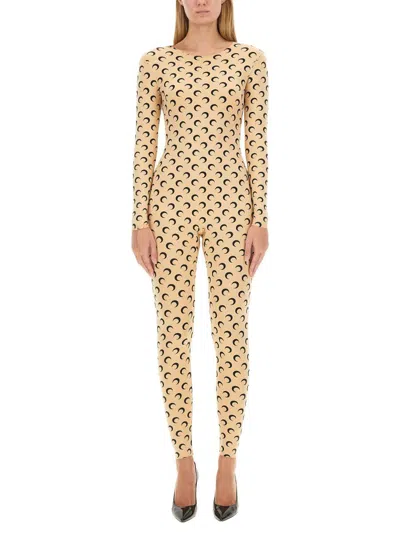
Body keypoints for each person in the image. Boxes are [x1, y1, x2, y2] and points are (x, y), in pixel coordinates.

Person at [131, 0, 269, 522]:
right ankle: (184, 461)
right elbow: (144, 145)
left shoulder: (250, 59)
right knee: (173, 334)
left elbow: (257, 144)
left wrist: (260, 219)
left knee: (231, 333)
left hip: (233, 206)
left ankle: (228, 461)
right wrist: (139, 221)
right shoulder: (155, 62)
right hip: (168, 208)